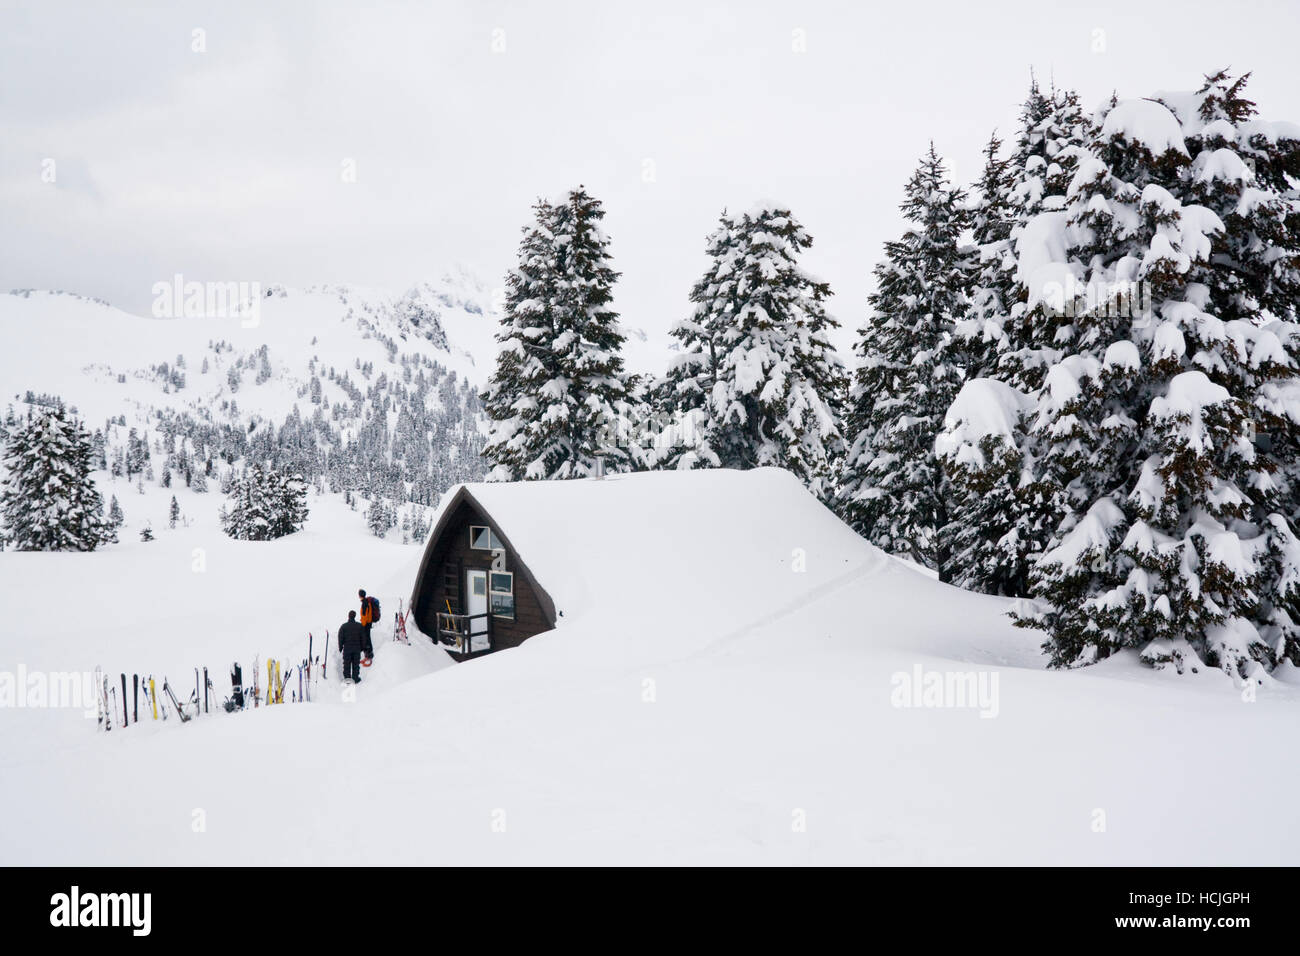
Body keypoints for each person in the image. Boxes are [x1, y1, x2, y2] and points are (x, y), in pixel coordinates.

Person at [338, 610, 365, 683]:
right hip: (357, 649)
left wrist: (340, 647)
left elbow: (340, 637)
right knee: (356, 664)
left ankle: (347, 679)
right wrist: (362, 648)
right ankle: (355, 678)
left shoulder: (344, 626)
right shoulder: (359, 626)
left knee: (347, 664)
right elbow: (363, 637)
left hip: (347, 649)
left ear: (348, 616)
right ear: (355, 616)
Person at [358, 588, 378, 661]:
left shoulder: (364, 604)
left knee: (366, 638)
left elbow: (364, 616)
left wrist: (362, 625)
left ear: (360, 596)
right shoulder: (368, 602)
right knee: (367, 637)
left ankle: (368, 653)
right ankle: (369, 652)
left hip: (366, 624)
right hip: (369, 623)